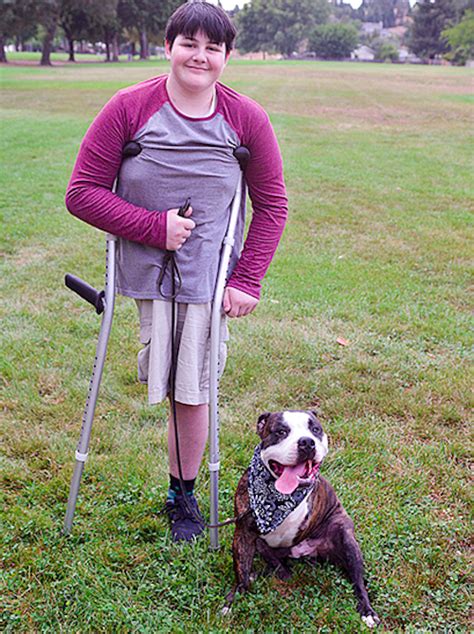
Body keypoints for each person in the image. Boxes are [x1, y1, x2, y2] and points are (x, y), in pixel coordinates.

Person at [65, 1, 288, 542]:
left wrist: (247, 278)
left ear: (227, 57)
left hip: (208, 281)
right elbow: (82, 193)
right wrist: (152, 227)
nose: (200, 56)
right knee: (165, 381)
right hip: (145, 271)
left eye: (214, 47)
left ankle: (182, 494)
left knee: (192, 389)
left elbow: (273, 204)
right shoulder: (128, 107)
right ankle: (180, 488)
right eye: (189, 43)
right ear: (169, 48)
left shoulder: (246, 119)